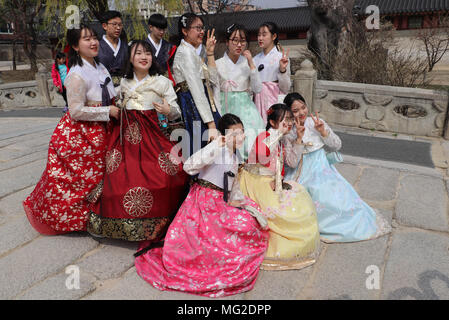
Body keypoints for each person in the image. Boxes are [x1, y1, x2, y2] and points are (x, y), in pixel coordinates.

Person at [134, 114, 269, 298]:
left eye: (242, 132)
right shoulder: (216, 149)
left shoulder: (234, 156)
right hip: (202, 204)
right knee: (232, 234)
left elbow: (233, 186)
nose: (240, 137)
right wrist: (215, 145)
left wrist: (243, 204)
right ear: (224, 135)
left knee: (250, 218)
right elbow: (189, 167)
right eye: (234, 133)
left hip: (221, 202)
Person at [88, 40, 189, 241]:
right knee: (119, 176)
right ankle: (120, 225)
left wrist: (169, 110)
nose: (144, 57)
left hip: (154, 135)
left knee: (165, 174)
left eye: (148, 53)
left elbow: (176, 112)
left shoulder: (162, 82)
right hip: (126, 138)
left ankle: (160, 222)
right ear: (131, 59)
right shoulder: (123, 84)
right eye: (138, 53)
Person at [23, 25, 119, 235]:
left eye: (94, 38)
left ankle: (99, 215)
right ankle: (78, 220)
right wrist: (107, 111)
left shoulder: (100, 66)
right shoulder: (75, 75)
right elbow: (75, 111)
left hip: (104, 127)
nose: (93, 42)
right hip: (83, 134)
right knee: (82, 180)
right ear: (75, 46)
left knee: (102, 175)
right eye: (86, 39)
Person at [283, 93, 392, 242]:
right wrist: (299, 139)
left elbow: (336, 145)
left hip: (322, 168)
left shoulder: (316, 122)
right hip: (301, 172)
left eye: (303, 107)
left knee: (334, 195)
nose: (301, 113)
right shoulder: (288, 131)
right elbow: (292, 163)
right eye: (295, 111)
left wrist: (323, 132)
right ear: (289, 112)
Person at [239, 104, 320, 270]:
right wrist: (277, 135)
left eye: (290, 119)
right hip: (256, 181)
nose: (289, 123)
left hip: (273, 180)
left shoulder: (283, 139)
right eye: (285, 119)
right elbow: (262, 157)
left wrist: (298, 139)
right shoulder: (264, 136)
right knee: (280, 209)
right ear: (272, 122)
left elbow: (291, 162)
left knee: (300, 197)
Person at [172, 13, 221, 158]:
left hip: (203, 102)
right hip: (193, 105)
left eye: (202, 28)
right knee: (202, 149)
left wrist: (210, 53)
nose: (202, 32)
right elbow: (196, 88)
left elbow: (212, 80)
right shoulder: (185, 53)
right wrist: (210, 123)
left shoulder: (193, 52)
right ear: (185, 31)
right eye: (197, 28)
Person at [216, 24, 265, 160]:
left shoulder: (248, 63)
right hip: (225, 106)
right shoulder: (218, 63)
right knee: (227, 145)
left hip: (246, 109)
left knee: (250, 142)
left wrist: (251, 64)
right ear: (227, 42)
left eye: (243, 41)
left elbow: (257, 89)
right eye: (235, 40)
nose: (239, 45)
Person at [253, 22, 291, 124]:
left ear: (274, 36)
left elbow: (286, 87)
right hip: (258, 99)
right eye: (259, 35)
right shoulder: (255, 59)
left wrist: (283, 70)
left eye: (264, 34)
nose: (260, 38)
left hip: (274, 99)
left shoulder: (281, 57)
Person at [98, 10, 129, 88]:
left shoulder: (126, 46)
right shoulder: (97, 46)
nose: (118, 28)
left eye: (120, 25)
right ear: (105, 26)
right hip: (103, 88)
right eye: (114, 24)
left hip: (125, 87)